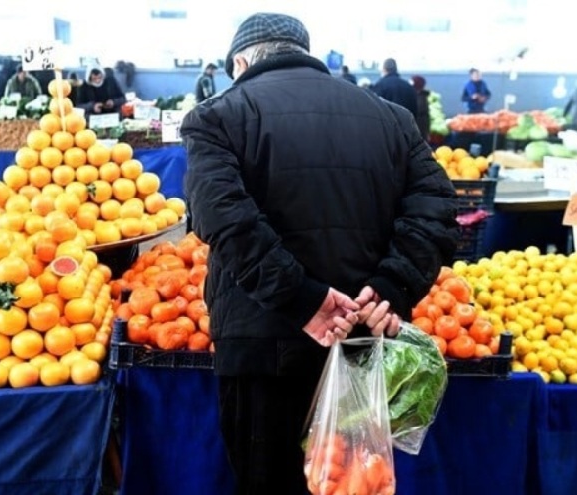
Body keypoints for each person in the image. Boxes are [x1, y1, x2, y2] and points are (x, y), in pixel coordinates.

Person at [180, 12, 459, 494]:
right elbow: (436, 209)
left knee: (267, 479)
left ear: (242, 61)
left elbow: (222, 217)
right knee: (350, 482)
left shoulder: (217, 115)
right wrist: (392, 288)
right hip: (362, 347)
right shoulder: (390, 118)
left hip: (261, 349)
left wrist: (301, 298)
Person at [412, 75, 431, 140]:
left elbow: (421, 113)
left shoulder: (420, 97)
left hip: (419, 127)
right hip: (422, 127)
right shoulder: (423, 96)